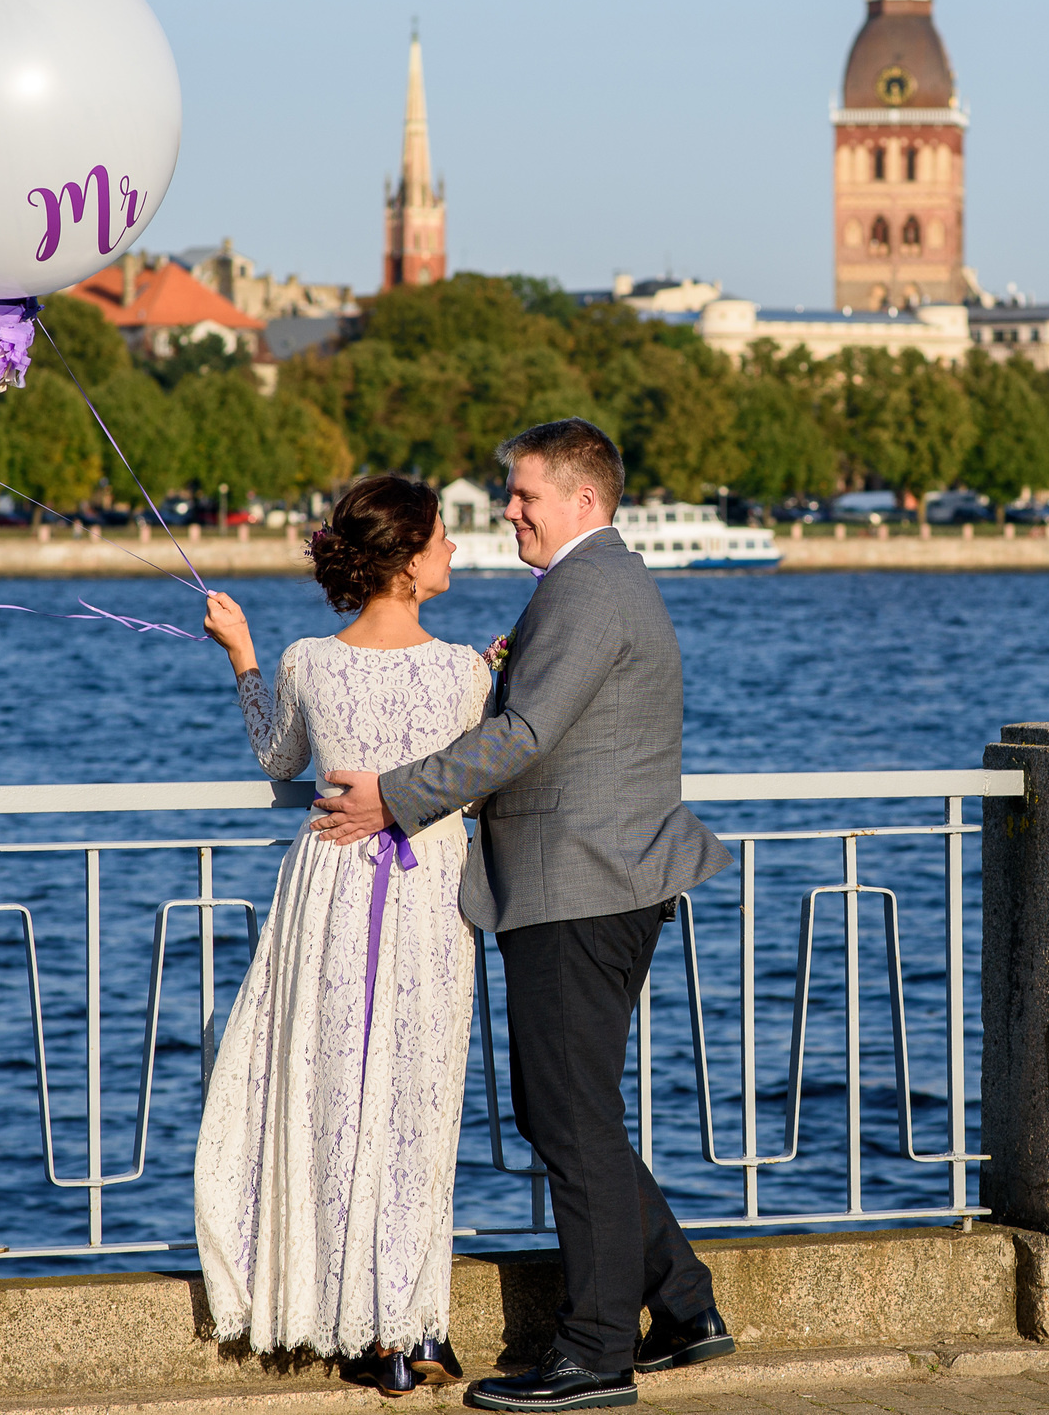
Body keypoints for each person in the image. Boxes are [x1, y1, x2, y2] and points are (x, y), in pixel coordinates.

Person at [310, 418, 736, 1414]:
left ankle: (594, 1352)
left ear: (583, 501)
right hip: (593, 876)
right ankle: (682, 1302)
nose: (507, 510)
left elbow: (529, 730)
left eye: (524, 494)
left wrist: (395, 792)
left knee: (565, 1110)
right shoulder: (594, 584)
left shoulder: (590, 587)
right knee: (574, 1103)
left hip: (580, 883)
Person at [193, 474, 488, 1398]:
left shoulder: (307, 660)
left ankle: (360, 1318)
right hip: (427, 885)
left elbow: (277, 757)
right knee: (415, 1098)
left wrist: (240, 653)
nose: (455, 551)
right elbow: (475, 787)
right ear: (404, 560)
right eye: (441, 538)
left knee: (334, 1089)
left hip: (327, 882)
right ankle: (411, 1323)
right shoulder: (466, 673)